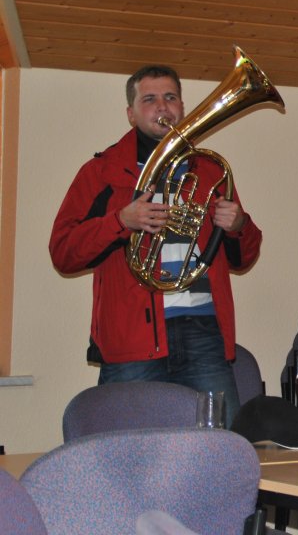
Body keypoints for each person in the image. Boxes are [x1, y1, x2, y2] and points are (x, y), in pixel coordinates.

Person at [49, 64, 263, 426]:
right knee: (129, 448)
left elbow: (244, 257)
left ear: (182, 108)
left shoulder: (209, 171)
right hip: (132, 338)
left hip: (203, 332)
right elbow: (63, 252)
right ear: (131, 114)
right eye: (149, 99)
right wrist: (121, 221)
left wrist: (239, 226)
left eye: (170, 97)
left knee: (222, 444)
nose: (162, 106)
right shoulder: (100, 172)